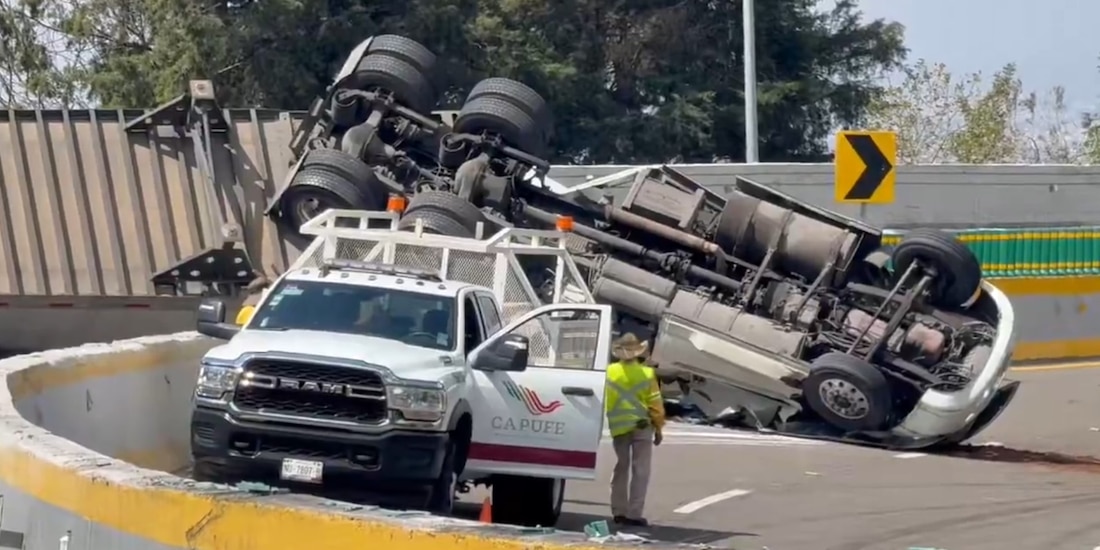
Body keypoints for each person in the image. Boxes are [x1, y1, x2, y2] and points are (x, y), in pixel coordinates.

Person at [605, 332, 665, 527]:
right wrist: (658, 428)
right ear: (638, 352)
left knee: (621, 467)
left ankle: (618, 511)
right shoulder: (647, 374)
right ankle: (634, 513)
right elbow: (655, 405)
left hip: (619, 427)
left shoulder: (609, 372)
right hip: (642, 425)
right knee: (641, 470)